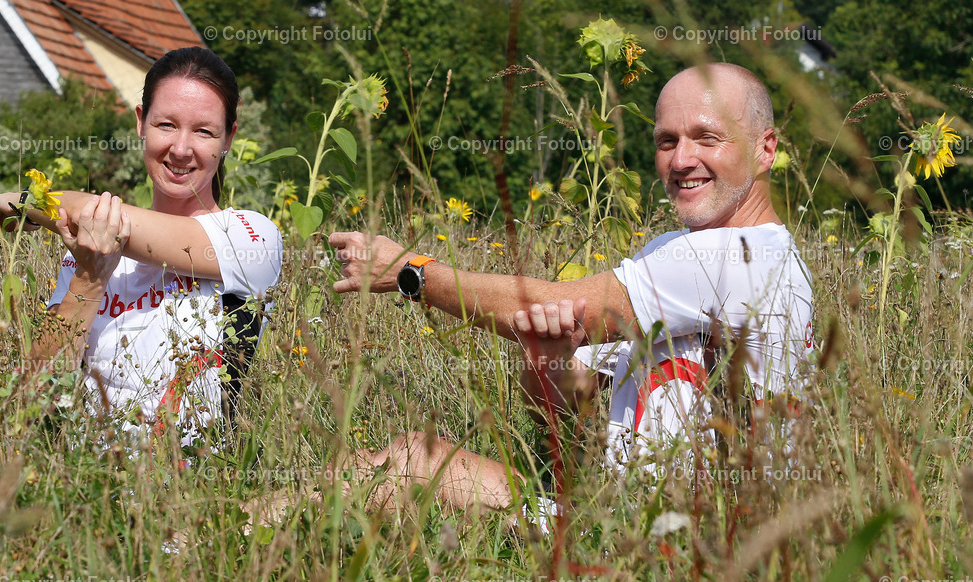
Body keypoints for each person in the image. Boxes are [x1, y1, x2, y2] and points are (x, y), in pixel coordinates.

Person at [324, 62, 814, 516]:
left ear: (765, 148)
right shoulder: (682, 251)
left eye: (707, 138)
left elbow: (556, 304)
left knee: (413, 465)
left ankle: (251, 532)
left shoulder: (744, 255)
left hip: (680, 539)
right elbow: (565, 408)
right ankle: (251, 530)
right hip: (617, 525)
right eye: (667, 141)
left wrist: (410, 272)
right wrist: (548, 358)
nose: (682, 159)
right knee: (409, 458)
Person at [0, 47, 283, 447]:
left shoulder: (252, 237)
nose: (181, 149)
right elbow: (36, 393)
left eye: (203, 131)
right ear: (141, 123)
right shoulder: (90, 241)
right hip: (82, 490)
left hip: (188, 492)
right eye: (166, 124)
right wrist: (89, 280)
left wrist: (21, 203)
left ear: (228, 137)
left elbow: (99, 217)